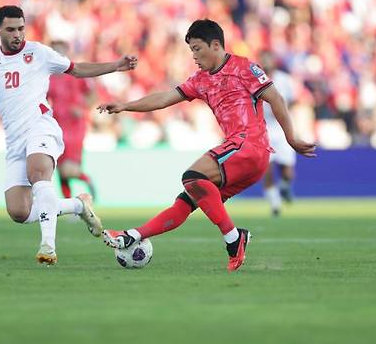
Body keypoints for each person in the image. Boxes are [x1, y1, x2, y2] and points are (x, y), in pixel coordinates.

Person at [0, 5, 138, 264]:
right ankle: (78, 205)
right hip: (14, 140)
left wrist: (115, 65)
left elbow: (77, 69)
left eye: (21, 29)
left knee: (38, 174)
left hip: (41, 127)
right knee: (19, 211)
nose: (17, 35)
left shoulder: (39, 53)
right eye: (11, 30)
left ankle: (48, 246)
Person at [98, 19, 316, 271]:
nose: (194, 56)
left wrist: (291, 138)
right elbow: (164, 98)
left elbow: (275, 98)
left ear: (215, 45)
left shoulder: (244, 67)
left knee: (192, 176)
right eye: (191, 50)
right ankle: (132, 236)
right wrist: (126, 105)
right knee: (186, 201)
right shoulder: (200, 80)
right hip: (240, 156)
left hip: (249, 146)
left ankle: (234, 239)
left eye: (197, 49)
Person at [47, 39, 97, 200]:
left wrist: (81, 108)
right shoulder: (48, 77)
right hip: (57, 125)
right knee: (59, 168)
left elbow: (92, 95)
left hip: (75, 125)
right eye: (54, 50)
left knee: (69, 169)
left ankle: (88, 183)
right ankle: (69, 205)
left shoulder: (77, 72)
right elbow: (42, 99)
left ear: (66, 51)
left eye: (59, 50)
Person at [260, 51, 298, 217]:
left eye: (268, 58)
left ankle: (284, 187)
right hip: (263, 129)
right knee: (266, 169)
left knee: (288, 171)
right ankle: (275, 205)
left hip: (281, 128)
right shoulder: (253, 80)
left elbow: (294, 100)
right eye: (263, 59)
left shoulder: (284, 79)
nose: (265, 62)